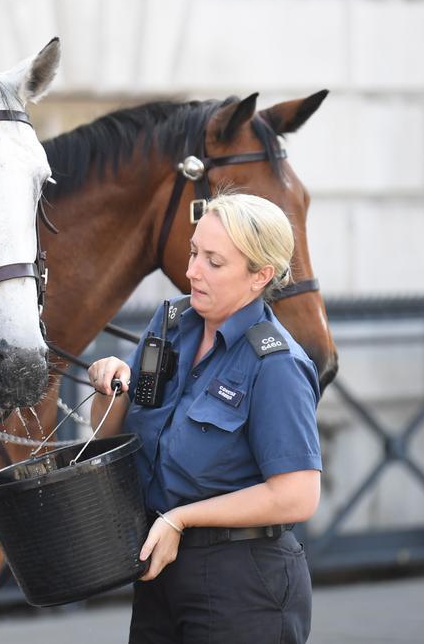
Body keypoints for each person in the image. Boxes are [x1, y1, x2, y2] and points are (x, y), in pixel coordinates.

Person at [87, 192, 322, 644]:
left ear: (261, 276)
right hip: (160, 568)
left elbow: (298, 495)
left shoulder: (274, 364)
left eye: (214, 262)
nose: (192, 270)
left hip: (244, 582)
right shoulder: (172, 323)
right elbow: (111, 440)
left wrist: (182, 519)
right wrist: (110, 389)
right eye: (194, 252)